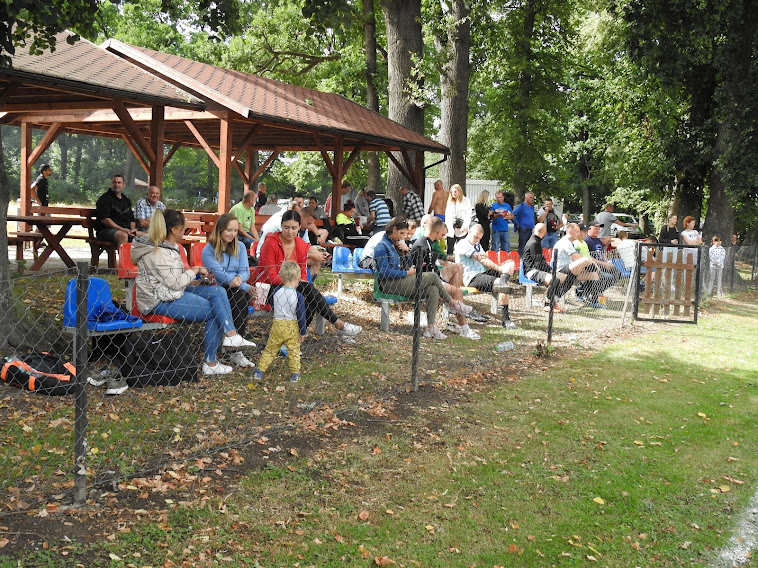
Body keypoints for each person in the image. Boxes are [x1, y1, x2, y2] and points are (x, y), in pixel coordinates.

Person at [131, 209, 256, 376]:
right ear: (174, 229)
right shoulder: (157, 252)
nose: (185, 231)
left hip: (172, 292)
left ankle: (231, 335)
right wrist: (196, 269)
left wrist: (199, 280)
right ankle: (211, 362)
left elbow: (176, 279)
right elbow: (174, 283)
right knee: (215, 310)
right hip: (158, 300)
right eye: (184, 228)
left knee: (217, 291)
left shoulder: (170, 246)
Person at [257, 209, 362, 338]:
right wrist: (296, 281)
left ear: (299, 227)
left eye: (294, 228)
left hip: (292, 285)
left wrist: (300, 281)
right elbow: (271, 276)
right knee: (306, 290)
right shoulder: (270, 243)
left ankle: (294, 339)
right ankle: (338, 324)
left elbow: (301, 270)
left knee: (309, 299)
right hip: (270, 289)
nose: (290, 232)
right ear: (281, 226)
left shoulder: (299, 243)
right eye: (286, 227)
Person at [375, 217, 472, 340]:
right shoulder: (382, 246)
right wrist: (406, 273)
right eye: (401, 233)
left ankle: (430, 327)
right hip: (391, 284)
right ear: (394, 229)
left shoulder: (395, 244)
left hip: (402, 281)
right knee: (432, 276)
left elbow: (407, 263)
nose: (403, 237)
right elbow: (384, 273)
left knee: (433, 289)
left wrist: (406, 252)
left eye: (405, 234)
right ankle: (452, 303)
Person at [410, 217, 480, 339]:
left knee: (457, 267)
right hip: (426, 281)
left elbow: (434, 260)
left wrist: (447, 258)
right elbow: (430, 274)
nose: (442, 237)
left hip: (432, 277)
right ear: (437, 232)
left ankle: (452, 303)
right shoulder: (424, 246)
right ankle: (463, 326)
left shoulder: (428, 243)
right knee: (457, 291)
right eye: (442, 234)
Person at [201, 213, 256, 368]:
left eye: (235, 231)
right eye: (228, 230)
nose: (232, 234)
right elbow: (219, 275)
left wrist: (240, 278)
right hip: (216, 288)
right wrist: (243, 284)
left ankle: (235, 348)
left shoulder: (239, 247)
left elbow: (245, 270)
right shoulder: (208, 250)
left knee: (240, 296)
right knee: (240, 294)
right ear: (220, 230)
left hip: (235, 287)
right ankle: (233, 344)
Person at [253, 261, 307, 383]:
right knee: (293, 351)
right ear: (299, 278)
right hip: (291, 325)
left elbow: (271, 304)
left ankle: (260, 370)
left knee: (270, 349)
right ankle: (295, 374)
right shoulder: (298, 296)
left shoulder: (276, 292)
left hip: (277, 324)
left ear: (281, 277)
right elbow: (301, 316)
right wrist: (302, 331)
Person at [455, 224, 518, 329]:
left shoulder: (477, 245)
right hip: (471, 277)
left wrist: (498, 267)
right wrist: (499, 269)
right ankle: (506, 319)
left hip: (482, 273)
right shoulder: (463, 244)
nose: (477, 240)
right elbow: (482, 259)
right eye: (476, 237)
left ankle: (502, 283)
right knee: (500, 282)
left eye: (479, 238)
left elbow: (485, 256)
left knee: (510, 263)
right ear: (469, 232)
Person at [522, 224, 576, 313]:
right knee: (554, 279)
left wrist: (551, 271)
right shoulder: (534, 243)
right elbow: (538, 263)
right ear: (545, 232)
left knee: (568, 278)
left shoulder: (535, 241)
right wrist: (551, 271)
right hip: (532, 271)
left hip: (537, 269)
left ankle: (553, 301)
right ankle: (547, 305)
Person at [552, 223, 604, 308]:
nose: (578, 234)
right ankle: (554, 300)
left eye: (579, 232)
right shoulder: (565, 242)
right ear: (569, 231)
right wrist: (594, 265)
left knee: (594, 275)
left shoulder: (571, 242)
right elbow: (577, 258)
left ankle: (593, 300)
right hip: (561, 270)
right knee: (586, 260)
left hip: (571, 270)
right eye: (577, 232)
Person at [95, 174, 142, 245]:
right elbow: (106, 220)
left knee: (147, 236)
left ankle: (138, 256)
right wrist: (123, 230)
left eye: (119, 182)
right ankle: (123, 256)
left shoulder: (126, 200)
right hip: (106, 231)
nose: (116, 185)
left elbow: (131, 219)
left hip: (126, 230)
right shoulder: (105, 199)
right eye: (114, 182)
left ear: (123, 185)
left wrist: (132, 229)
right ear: (111, 184)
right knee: (123, 236)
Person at [444, 183, 473, 254]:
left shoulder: (466, 201)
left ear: (459, 191)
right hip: (451, 229)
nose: (453, 193)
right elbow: (447, 215)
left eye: (455, 192)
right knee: (450, 248)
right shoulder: (450, 202)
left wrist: (465, 226)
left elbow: (468, 215)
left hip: (462, 229)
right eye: (452, 192)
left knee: (462, 249)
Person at [512, 192, 536, 256]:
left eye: (532, 198)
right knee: (522, 245)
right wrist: (517, 223)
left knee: (529, 246)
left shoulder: (532, 207)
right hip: (523, 229)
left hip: (530, 229)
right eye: (530, 197)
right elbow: (512, 214)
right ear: (526, 198)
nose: (532, 199)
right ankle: (521, 259)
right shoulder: (521, 206)